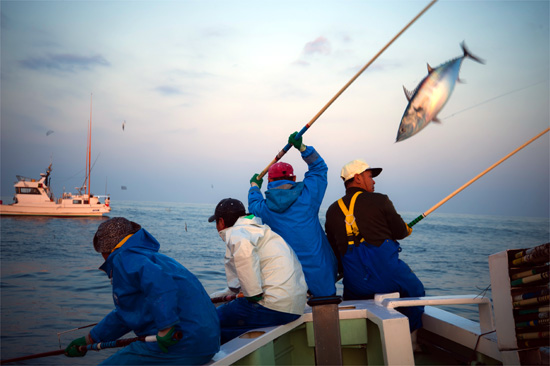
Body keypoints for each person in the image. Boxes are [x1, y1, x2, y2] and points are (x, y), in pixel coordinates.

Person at [65, 217, 220, 365]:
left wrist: (166, 327)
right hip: (207, 343)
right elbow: (126, 314)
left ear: (108, 249)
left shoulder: (124, 258)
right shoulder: (151, 257)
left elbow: (160, 283)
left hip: (181, 345)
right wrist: (90, 339)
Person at [325, 159, 425, 332]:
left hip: (354, 283)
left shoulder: (332, 210)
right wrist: (406, 230)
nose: (373, 181)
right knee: (416, 291)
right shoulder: (380, 200)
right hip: (389, 276)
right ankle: (409, 336)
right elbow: (400, 232)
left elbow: (334, 252)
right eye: (370, 176)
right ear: (357, 178)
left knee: (353, 301)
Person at [248, 132, 338, 297]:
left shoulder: (265, 209)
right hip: (321, 281)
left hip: (288, 285)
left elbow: (253, 204)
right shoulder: (308, 197)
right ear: (294, 178)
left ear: (269, 182)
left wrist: (254, 186)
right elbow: (319, 168)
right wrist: (303, 149)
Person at [209, 198, 307, 344]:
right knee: (229, 329)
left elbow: (245, 255)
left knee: (209, 319)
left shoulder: (237, 233)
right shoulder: (262, 231)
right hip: (294, 307)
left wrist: (253, 294)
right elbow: (237, 286)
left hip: (272, 306)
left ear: (221, 222)